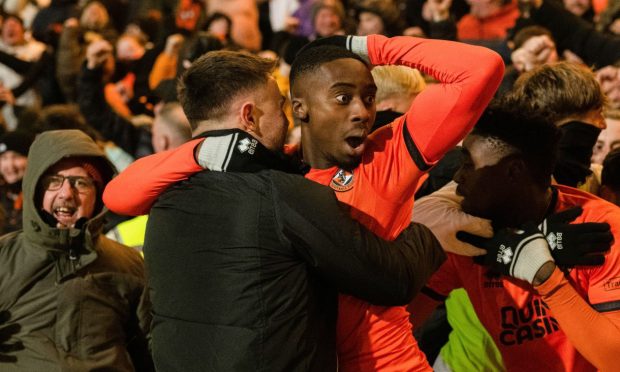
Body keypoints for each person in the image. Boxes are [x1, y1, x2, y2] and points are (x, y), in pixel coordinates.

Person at [105, 34, 505, 370]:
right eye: (343, 97)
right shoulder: (276, 178)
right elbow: (119, 194)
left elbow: (481, 67)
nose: (364, 112)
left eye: (369, 97)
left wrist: (362, 45)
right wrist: (202, 153)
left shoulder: (387, 154)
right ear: (300, 109)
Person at [412, 105, 619, 371]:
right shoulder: (462, 232)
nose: (457, 176)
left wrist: (547, 279)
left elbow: (616, 360)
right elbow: (401, 317)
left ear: (513, 171)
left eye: (468, 164)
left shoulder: (602, 228)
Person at [0, 129, 153, 371]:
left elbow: (149, 352)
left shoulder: (127, 264)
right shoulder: (4, 258)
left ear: (98, 193)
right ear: (35, 190)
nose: (66, 193)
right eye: (53, 181)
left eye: (80, 183)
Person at [0, 130, 34, 233]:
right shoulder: (2, 195)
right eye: (4, 158)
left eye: (16, 157)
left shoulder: (40, 196)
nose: (9, 165)